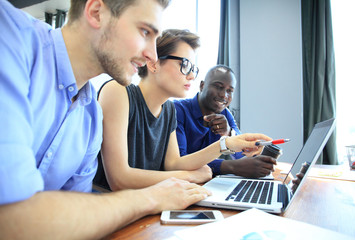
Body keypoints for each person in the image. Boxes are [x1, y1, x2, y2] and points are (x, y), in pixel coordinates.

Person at [0, 1, 212, 239]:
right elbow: (11, 218)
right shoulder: (9, 33)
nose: (152, 54)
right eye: (145, 32)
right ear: (96, 12)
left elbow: (79, 214)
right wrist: (150, 197)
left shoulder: (90, 117)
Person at [95, 29, 272, 191]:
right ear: (154, 63)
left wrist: (227, 144)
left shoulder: (168, 110)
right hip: (109, 208)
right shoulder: (118, 92)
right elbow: (119, 180)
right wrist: (189, 176)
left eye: (193, 69)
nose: (192, 76)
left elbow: (174, 164)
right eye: (185, 65)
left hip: (146, 205)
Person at [174, 65, 277, 178]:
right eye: (218, 87)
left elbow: (242, 154)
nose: (224, 95)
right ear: (202, 86)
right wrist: (232, 167)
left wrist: (228, 133)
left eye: (229, 91)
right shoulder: (177, 110)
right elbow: (180, 162)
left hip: (205, 181)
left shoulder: (225, 113)